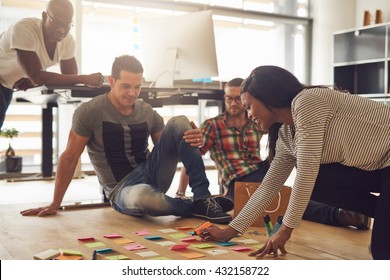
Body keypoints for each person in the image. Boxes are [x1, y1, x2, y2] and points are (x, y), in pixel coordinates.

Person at [200, 66, 390, 260]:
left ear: (267, 97)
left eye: (249, 106)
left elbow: (307, 171)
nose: (248, 114)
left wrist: (285, 230)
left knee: (382, 253)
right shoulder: (285, 134)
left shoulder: (307, 101)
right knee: (320, 181)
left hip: (386, 162)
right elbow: (269, 187)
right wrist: (229, 231)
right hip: (378, 168)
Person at [20, 55, 233, 224]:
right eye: (126, 86)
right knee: (143, 198)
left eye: (137, 86)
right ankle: (191, 206)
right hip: (122, 190)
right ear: (111, 81)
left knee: (179, 122)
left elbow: (168, 152)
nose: (132, 93)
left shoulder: (146, 111)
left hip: (152, 174)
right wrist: (55, 203)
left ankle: (203, 198)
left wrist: (188, 138)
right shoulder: (89, 112)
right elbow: (70, 157)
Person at [177, 77, 371, 229]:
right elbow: (193, 159)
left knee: (291, 195)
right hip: (236, 179)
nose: (234, 103)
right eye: (230, 98)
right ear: (224, 99)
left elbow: (284, 138)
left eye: (239, 99)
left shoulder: (257, 119)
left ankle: (345, 213)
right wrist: (181, 191)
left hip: (261, 170)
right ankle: (341, 214)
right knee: (280, 199)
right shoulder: (212, 125)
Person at [0, 0, 103, 129]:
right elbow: (37, 76)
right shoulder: (24, 29)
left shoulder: (67, 41)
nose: (62, 29)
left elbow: (70, 77)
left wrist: (34, 81)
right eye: (57, 22)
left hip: (7, 84)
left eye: (67, 24)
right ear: (44, 17)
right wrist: (84, 78)